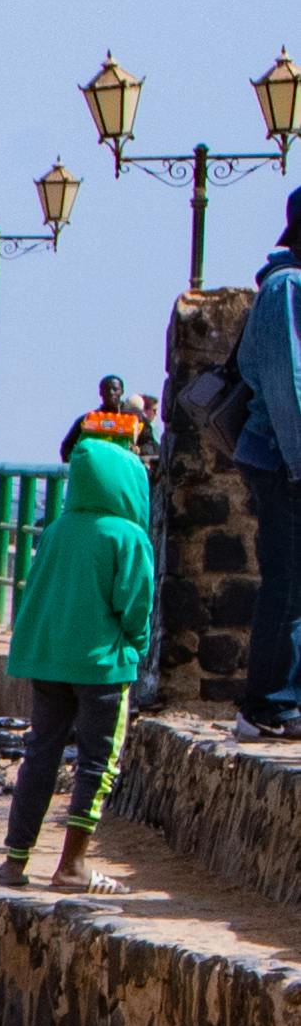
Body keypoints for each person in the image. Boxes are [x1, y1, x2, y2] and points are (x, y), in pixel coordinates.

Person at [0, 387, 157, 888]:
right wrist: (136, 646)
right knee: (96, 763)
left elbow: (37, 592)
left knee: (39, 755)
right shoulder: (128, 536)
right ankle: (71, 865)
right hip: (103, 667)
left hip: (49, 663)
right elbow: (135, 605)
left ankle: (14, 861)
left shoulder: (58, 529)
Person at [232, 221, 298, 731]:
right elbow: (287, 387)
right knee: (289, 581)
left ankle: (284, 699)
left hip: (285, 457)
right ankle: (267, 704)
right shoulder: (287, 287)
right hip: (283, 459)